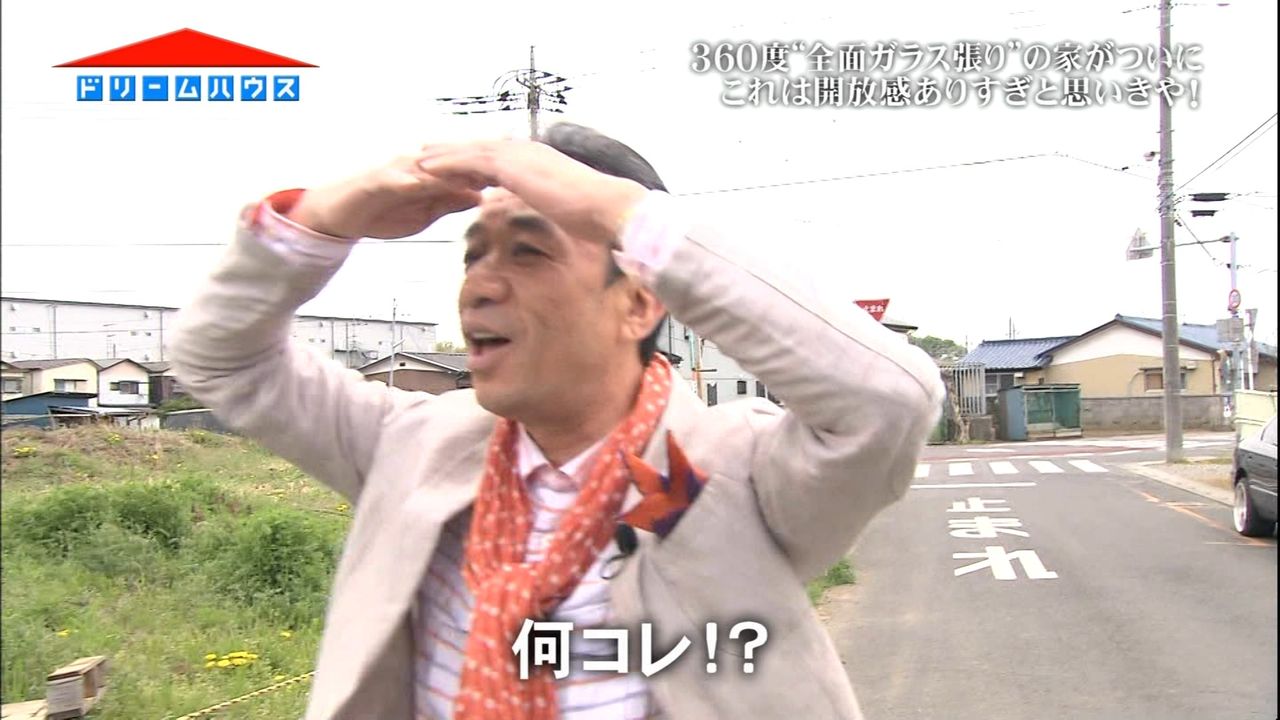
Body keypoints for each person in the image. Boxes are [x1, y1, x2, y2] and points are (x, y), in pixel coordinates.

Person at [170, 122, 945, 720]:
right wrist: (326, 216)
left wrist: (624, 215)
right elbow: (221, 360)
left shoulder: (734, 468)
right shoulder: (411, 444)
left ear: (638, 303)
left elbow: (887, 402)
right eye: (474, 255)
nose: (479, 286)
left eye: (529, 253)